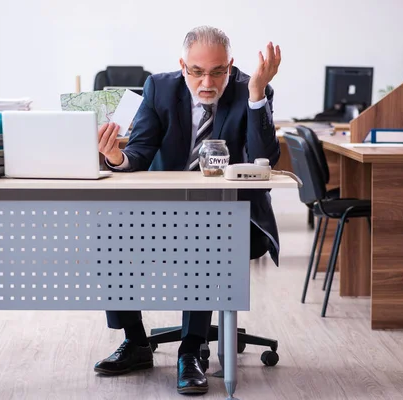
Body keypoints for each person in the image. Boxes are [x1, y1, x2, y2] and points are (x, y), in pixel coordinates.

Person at [93, 25, 282, 395]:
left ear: (231, 66)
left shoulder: (252, 89)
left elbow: (265, 158)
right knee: (111, 234)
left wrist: (257, 92)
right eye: (197, 71)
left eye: (217, 71)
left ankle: (192, 351)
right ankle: (135, 343)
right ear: (183, 66)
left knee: (207, 237)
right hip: (167, 212)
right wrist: (118, 157)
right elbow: (140, 153)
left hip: (235, 218)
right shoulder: (160, 88)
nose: (207, 82)